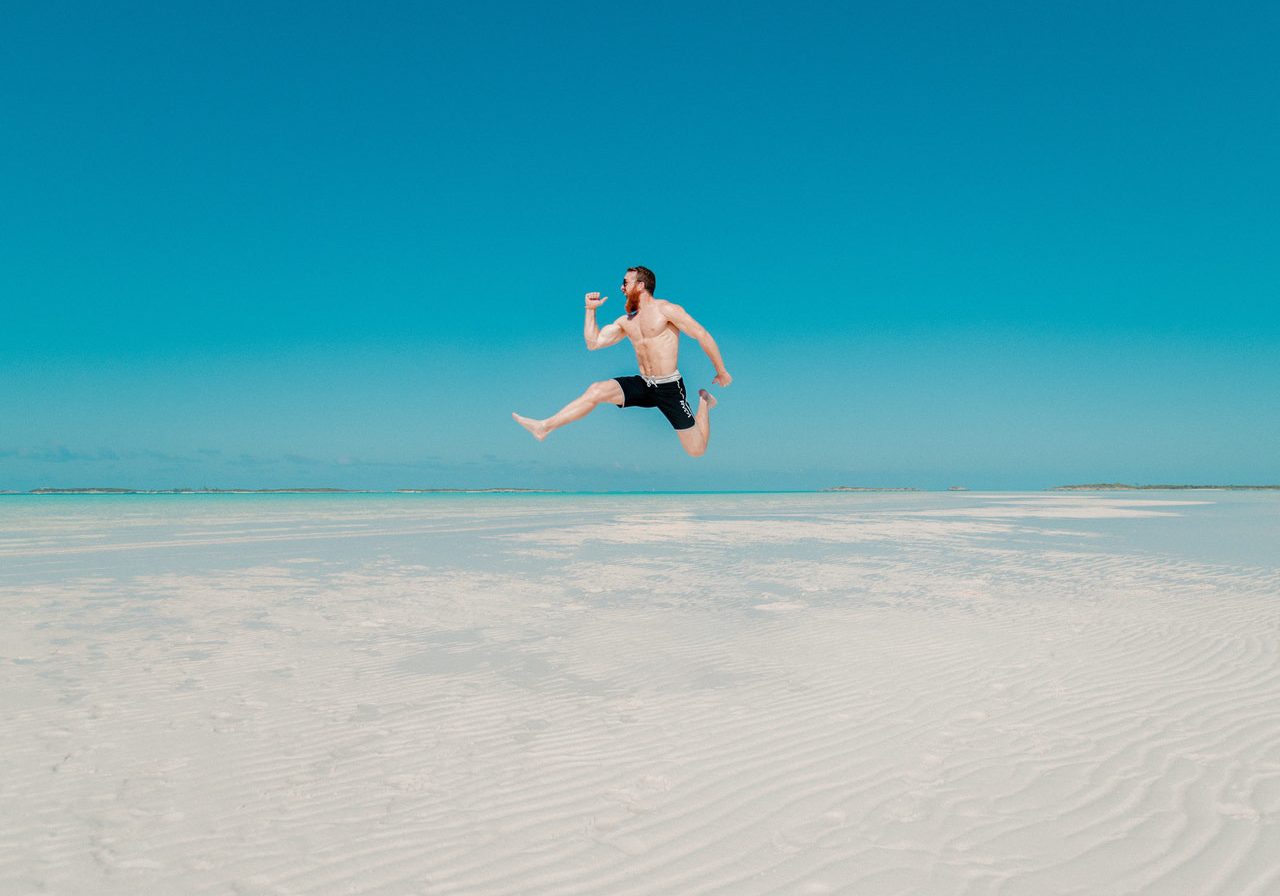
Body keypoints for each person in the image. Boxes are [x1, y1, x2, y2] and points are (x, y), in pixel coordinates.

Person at [513, 266, 732, 457]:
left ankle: (704, 401)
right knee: (596, 390)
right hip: (644, 384)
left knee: (696, 451)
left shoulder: (667, 310)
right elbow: (594, 343)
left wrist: (721, 371)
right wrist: (590, 311)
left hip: (669, 388)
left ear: (641, 285)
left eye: (625, 282)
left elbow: (702, 334)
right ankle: (545, 427)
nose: (621, 288)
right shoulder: (627, 322)